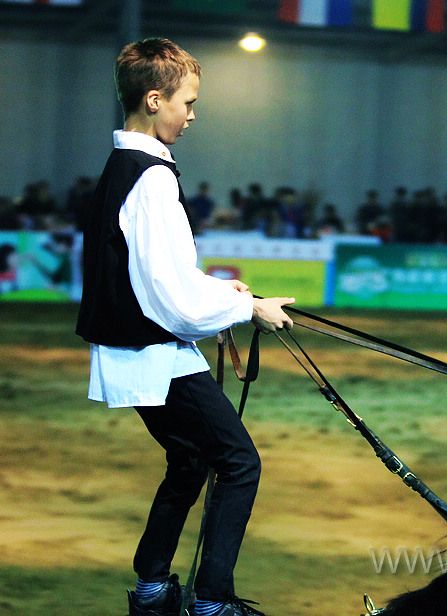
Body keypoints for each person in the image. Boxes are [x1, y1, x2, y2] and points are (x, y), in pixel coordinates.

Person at [75, 38, 293, 616]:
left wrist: (226, 294)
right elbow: (170, 299)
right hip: (154, 352)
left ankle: (152, 589)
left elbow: (164, 277)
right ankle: (213, 603)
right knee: (240, 464)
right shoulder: (150, 178)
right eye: (187, 102)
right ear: (154, 100)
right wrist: (249, 310)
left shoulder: (126, 168)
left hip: (139, 350)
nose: (192, 115)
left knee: (191, 460)